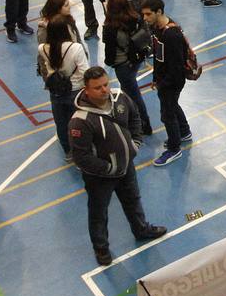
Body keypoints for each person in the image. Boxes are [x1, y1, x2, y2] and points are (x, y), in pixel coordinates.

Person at [68, 66, 167, 266]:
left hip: (126, 166)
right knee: (98, 212)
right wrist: (108, 169)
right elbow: (81, 157)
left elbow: (135, 117)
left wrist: (136, 144)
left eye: (106, 84)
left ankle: (141, 229)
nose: (104, 90)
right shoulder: (80, 122)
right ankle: (101, 248)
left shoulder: (120, 98)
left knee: (133, 199)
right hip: (99, 177)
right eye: (97, 88)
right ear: (86, 90)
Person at [142, 0, 194, 167]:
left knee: (167, 114)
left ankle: (174, 148)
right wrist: (156, 77)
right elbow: (159, 58)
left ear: (159, 12)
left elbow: (177, 68)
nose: (145, 18)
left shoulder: (171, 35)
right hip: (164, 79)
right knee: (172, 105)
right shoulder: (158, 28)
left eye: (148, 14)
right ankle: (184, 131)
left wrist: (162, 83)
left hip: (172, 82)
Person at [100, 0, 154, 136]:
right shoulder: (136, 18)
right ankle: (135, 120)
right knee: (129, 92)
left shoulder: (110, 27)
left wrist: (109, 63)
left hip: (122, 64)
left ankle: (144, 124)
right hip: (136, 59)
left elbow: (109, 51)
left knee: (133, 94)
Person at [39, 16, 90, 160]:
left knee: (61, 124)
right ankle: (84, 151)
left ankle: (68, 151)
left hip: (56, 91)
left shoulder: (43, 48)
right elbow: (85, 72)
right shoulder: (75, 48)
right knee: (81, 123)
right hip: (76, 91)